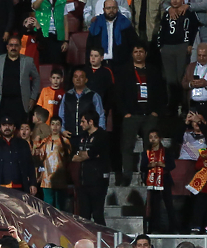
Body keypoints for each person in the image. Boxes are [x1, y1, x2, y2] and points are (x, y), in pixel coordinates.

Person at [118, 44, 164, 187]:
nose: (138, 54)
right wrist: (125, 112)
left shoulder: (153, 71)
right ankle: (127, 175)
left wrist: (156, 111)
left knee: (149, 146)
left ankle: (148, 173)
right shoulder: (124, 71)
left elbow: (161, 92)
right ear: (132, 54)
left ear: (146, 54)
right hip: (132, 115)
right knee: (127, 146)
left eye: (141, 52)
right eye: (135, 51)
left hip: (149, 114)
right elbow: (118, 94)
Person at [0, 35, 41, 125]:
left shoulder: (28, 61)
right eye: (11, 45)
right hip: (2, 102)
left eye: (16, 45)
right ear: (7, 47)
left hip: (20, 102)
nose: (14, 47)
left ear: (20, 47)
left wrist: (33, 97)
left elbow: (36, 78)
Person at [72, 111, 110, 225]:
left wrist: (85, 155)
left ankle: (103, 240)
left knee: (97, 214)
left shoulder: (102, 136)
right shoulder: (82, 137)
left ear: (91, 122)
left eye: (83, 121)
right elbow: (73, 157)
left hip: (98, 181)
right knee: (84, 216)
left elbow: (90, 154)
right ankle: (86, 242)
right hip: (83, 181)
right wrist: (86, 155)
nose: (81, 124)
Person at [0, 115, 36, 193]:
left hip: (20, 188)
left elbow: (30, 165)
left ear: (14, 128)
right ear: (0, 128)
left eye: (10, 125)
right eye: (4, 125)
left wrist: (33, 183)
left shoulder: (23, 144)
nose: (7, 127)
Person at [141, 129, 177, 233]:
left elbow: (172, 165)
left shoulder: (166, 151)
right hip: (152, 180)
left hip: (164, 179)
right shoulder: (147, 152)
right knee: (154, 205)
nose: (153, 139)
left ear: (159, 138)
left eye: (155, 137)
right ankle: (154, 228)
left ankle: (173, 228)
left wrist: (163, 165)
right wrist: (149, 165)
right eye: (150, 137)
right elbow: (142, 167)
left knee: (168, 204)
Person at [60, 68, 105, 148]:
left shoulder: (94, 96)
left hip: (88, 136)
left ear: (86, 80)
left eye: (81, 77)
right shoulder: (66, 96)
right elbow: (61, 115)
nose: (78, 79)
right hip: (69, 136)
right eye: (75, 77)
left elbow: (100, 115)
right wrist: (62, 130)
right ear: (72, 79)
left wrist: (99, 133)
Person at [86, 0, 137, 69]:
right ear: (104, 9)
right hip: (100, 65)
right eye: (108, 8)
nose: (111, 10)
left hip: (121, 65)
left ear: (117, 9)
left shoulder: (125, 24)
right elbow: (89, 46)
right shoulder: (96, 24)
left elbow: (133, 44)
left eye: (114, 8)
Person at [38, 116, 70, 209]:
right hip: (47, 179)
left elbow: (69, 158)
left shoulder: (65, 141)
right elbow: (41, 158)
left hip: (60, 178)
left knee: (60, 207)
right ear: (50, 126)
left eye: (57, 124)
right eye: (53, 124)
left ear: (61, 126)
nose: (55, 127)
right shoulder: (45, 141)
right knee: (48, 207)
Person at [183, 43, 207, 115]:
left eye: (204, 56)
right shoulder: (191, 67)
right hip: (193, 105)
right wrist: (191, 84)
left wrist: (205, 84)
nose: (201, 58)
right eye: (199, 55)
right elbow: (184, 83)